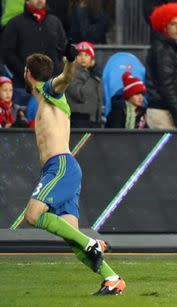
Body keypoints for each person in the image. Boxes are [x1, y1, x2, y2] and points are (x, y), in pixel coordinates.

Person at [22, 48, 126, 295]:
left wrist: (69, 62)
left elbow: (65, 79)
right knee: (73, 238)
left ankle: (91, 243)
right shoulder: (45, 100)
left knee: (33, 215)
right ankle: (112, 279)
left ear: (27, 73)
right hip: (61, 169)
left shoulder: (49, 91)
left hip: (60, 167)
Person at [1, 0, 67, 106]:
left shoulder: (55, 22)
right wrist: (25, 72)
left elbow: (63, 49)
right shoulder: (15, 23)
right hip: (23, 88)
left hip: (50, 86)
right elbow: (7, 53)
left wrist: (56, 70)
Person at [145, 2, 177, 129]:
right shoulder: (163, 50)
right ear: (164, 27)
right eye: (173, 24)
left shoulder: (169, 49)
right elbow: (166, 85)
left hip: (166, 110)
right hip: (163, 112)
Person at [66, 41, 102, 128]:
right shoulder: (71, 74)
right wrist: (93, 78)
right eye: (79, 55)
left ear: (92, 59)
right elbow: (81, 95)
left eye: (86, 55)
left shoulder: (93, 74)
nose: (83, 58)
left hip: (93, 120)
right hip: (78, 121)